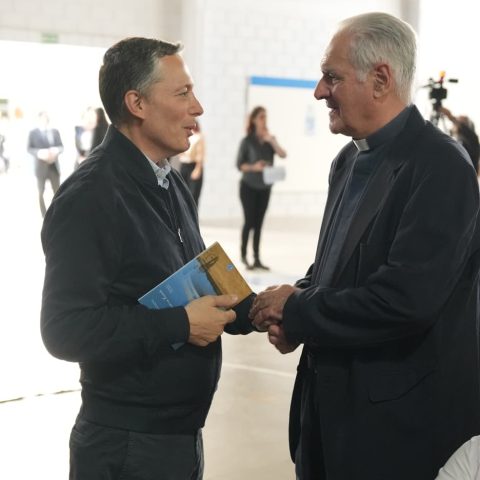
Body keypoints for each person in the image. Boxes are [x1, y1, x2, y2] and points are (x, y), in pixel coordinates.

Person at [249, 12, 480, 480]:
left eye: (331, 76)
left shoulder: (440, 167)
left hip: (395, 432)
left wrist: (297, 310)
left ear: (380, 79)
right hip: (328, 420)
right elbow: (333, 270)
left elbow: (405, 301)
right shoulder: (348, 161)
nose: (319, 91)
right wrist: (292, 304)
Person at [40, 37, 254, 480]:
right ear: (136, 103)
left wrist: (258, 308)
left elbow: (188, 279)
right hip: (128, 444)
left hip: (177, 435)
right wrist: (181, 325)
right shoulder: (92, 196)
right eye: (183, 93)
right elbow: (65, 329)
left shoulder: (168, 182)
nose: (198, 108)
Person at [236, 106, 286, 270]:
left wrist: (272, 140)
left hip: (265, 187)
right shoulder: (247, 141)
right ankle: (244, 256)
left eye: (266, 117)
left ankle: (257, 258)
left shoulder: (270, 140)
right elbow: (239, 165)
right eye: (261, 117)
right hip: (248, 186)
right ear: (254, 120)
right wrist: (254, 167)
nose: (264, 120)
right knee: (249, 221)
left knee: (259, 223)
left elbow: (283, 154)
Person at [27, 111, 63, 216]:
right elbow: (29, 148)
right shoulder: (33, 133)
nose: (44, 120)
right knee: (41, 192)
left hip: (53, 166)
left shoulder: (55, 131)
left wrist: (56, 150)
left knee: (58, 191)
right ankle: (44, 214)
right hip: (41, 167)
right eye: (42, 118)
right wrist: (39, 153)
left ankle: (58, 212)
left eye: (46, 118)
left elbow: (61, 146)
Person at [439, 106, 480, 174]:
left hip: (466, 177)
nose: (455, 125)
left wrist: (450, 116)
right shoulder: (457, 141)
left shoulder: (473, 139)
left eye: (460, 122)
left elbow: (465, 130)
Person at [178, 120, 205, 206]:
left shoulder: (198, 137)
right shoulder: (184, 136)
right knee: (182, 193)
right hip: (184, 165)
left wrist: (198, 169)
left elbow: (200, 154)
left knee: (193, 194)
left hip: (193, 166)